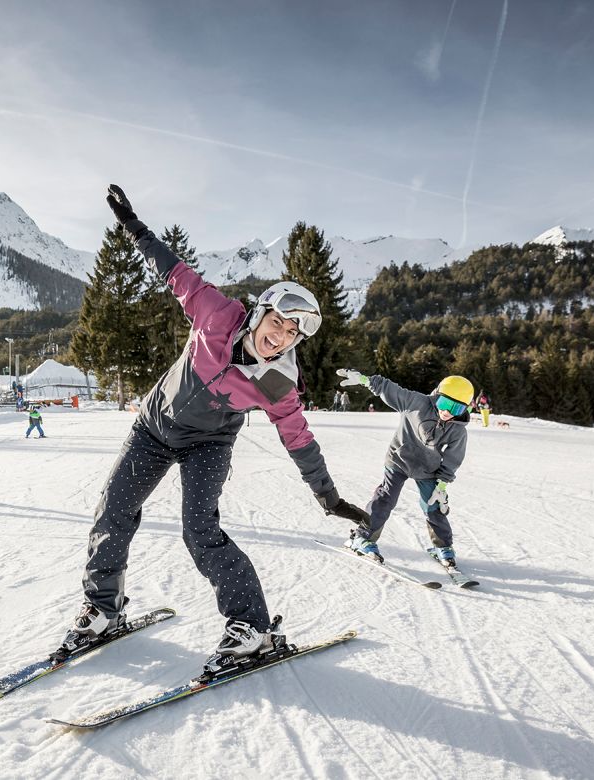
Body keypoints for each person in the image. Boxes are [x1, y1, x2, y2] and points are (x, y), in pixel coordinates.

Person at [60, 184, 369, 673]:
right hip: (153, 429)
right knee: (113, 510)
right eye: (280, 322)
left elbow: (299, 438)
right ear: (262, 311)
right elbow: (173, 269)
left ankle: (253, 628)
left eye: (294, 333)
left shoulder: (278, 380)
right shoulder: (217, 314)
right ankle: (102, 608)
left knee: (200, 530)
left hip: (208, 443)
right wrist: (133, 225)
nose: (281, 337)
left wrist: (328, 497)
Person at [337, 369, 472, 568]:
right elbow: (388, 388)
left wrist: (442, 485)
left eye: (456, 408)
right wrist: (365, 380)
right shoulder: (416, 403)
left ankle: (442, 547)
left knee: (433, 505)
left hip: (428, 468)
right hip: (399, 460)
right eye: (444, 403)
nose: (447, 412)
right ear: (437, 395)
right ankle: (362, 537)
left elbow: (453, 458)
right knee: (386, 498)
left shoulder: (458, 430)